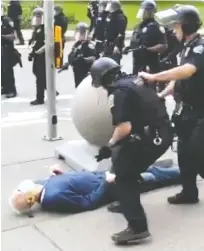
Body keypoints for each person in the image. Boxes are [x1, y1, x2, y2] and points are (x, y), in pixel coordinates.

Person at [91, 57, 173, 244]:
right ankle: (127, 201)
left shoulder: (118, 93)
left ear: (104, 79)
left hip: (152, 137)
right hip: (162, 132)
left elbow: (124, 127)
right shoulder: (136, 80)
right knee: (128, 164)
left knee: (123, 177)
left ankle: (138, 227)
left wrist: (109, 145)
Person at [139, 5, 204, 204]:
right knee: (184, 153)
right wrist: (163, 93)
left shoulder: (201, 47)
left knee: (197, 151)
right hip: (186, 111)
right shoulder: (186, 46)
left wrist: (154, 76)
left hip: (201, 112)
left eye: (176, 26)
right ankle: (189, 193)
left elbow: (187, 71)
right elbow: (180, 79)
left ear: (187, 25)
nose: (174, 30)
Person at [9, 160, 180, 215]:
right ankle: (189, 171)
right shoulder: (54, 197)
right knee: (154, 176)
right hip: (112, 182)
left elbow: (70, 183)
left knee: (148, 168)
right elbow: (88, 203)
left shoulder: (44, 187)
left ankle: (182, 169)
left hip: (102, 175)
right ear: (30, 198)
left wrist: (58, 174)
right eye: (23, 190)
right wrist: (107, 182)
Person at [124, 0, 167, 90]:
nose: (142, 13)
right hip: (137, 64)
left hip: (149, 65)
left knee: (148, 91)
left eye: (144, 11)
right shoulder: (138, 26)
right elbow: (135, 41)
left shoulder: (156, 27)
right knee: (136, 88)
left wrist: (148, 49)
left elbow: (163, 46)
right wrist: (128, 47)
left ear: (150, 12)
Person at [28, 7, 59, 105]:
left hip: (43, 57)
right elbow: (33, 42)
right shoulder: (36, 28)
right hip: (37, 56)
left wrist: (38, 52)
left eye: (38, 16)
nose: (36, 18)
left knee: (40, 77)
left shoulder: (46, 28)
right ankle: (52, 91)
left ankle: (40, 98)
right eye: (36, 16)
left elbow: (48, 44)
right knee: (37, 73)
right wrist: (31, 53)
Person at [59, 22, 96, 88]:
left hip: (85, 72)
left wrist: (83, 59)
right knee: (78, 88)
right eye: (79, 33)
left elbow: (94, 58)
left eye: (82, 33)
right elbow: (72, 55)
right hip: (77, 71)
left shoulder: (90, 45)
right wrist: (67, 63)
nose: (80, 35)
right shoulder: (77, 44)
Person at [103, 0, 127, 64]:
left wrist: (117, 45)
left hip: (114, 45)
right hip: (108, 44)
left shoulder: (120, 18)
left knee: (114, 64)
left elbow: (121, 33)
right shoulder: (110, 15)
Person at [1, 6, 18, 98]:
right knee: (1, 71)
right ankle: (5, 87)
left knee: (7, 70)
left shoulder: (7, 21)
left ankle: (12, 90)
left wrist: (2, 36)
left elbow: (13, 36)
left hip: (7, 49)